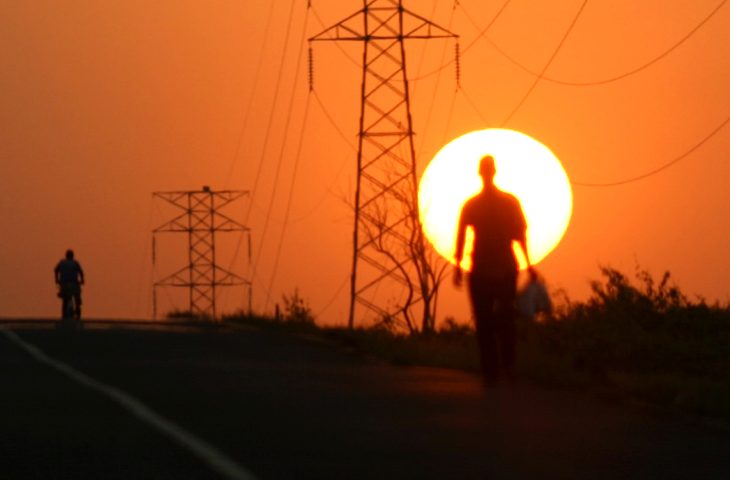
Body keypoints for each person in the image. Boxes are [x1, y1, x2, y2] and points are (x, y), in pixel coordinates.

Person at [453, 155, 533, 383]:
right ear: (492, 172)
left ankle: (496, 369)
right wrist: (529, 264)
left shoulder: (478, 204)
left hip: (491, 269)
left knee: (491, 320)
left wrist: (458, 267)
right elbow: (520, 236)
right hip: (494, 269)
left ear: (482, 173)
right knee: (498, 319)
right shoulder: (505, 202)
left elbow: (519, 235)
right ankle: (501, 369)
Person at [54, 249, 85, 319]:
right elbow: (81, 272)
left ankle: (64, 315)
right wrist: (82, 280)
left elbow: (56, 270)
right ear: (72, 256)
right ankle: (77, 310)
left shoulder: (62, 262)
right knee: (77, 298)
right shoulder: (75, 263)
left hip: (64, 284)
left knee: (65, 300)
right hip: (74, 284)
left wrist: (56, 279)